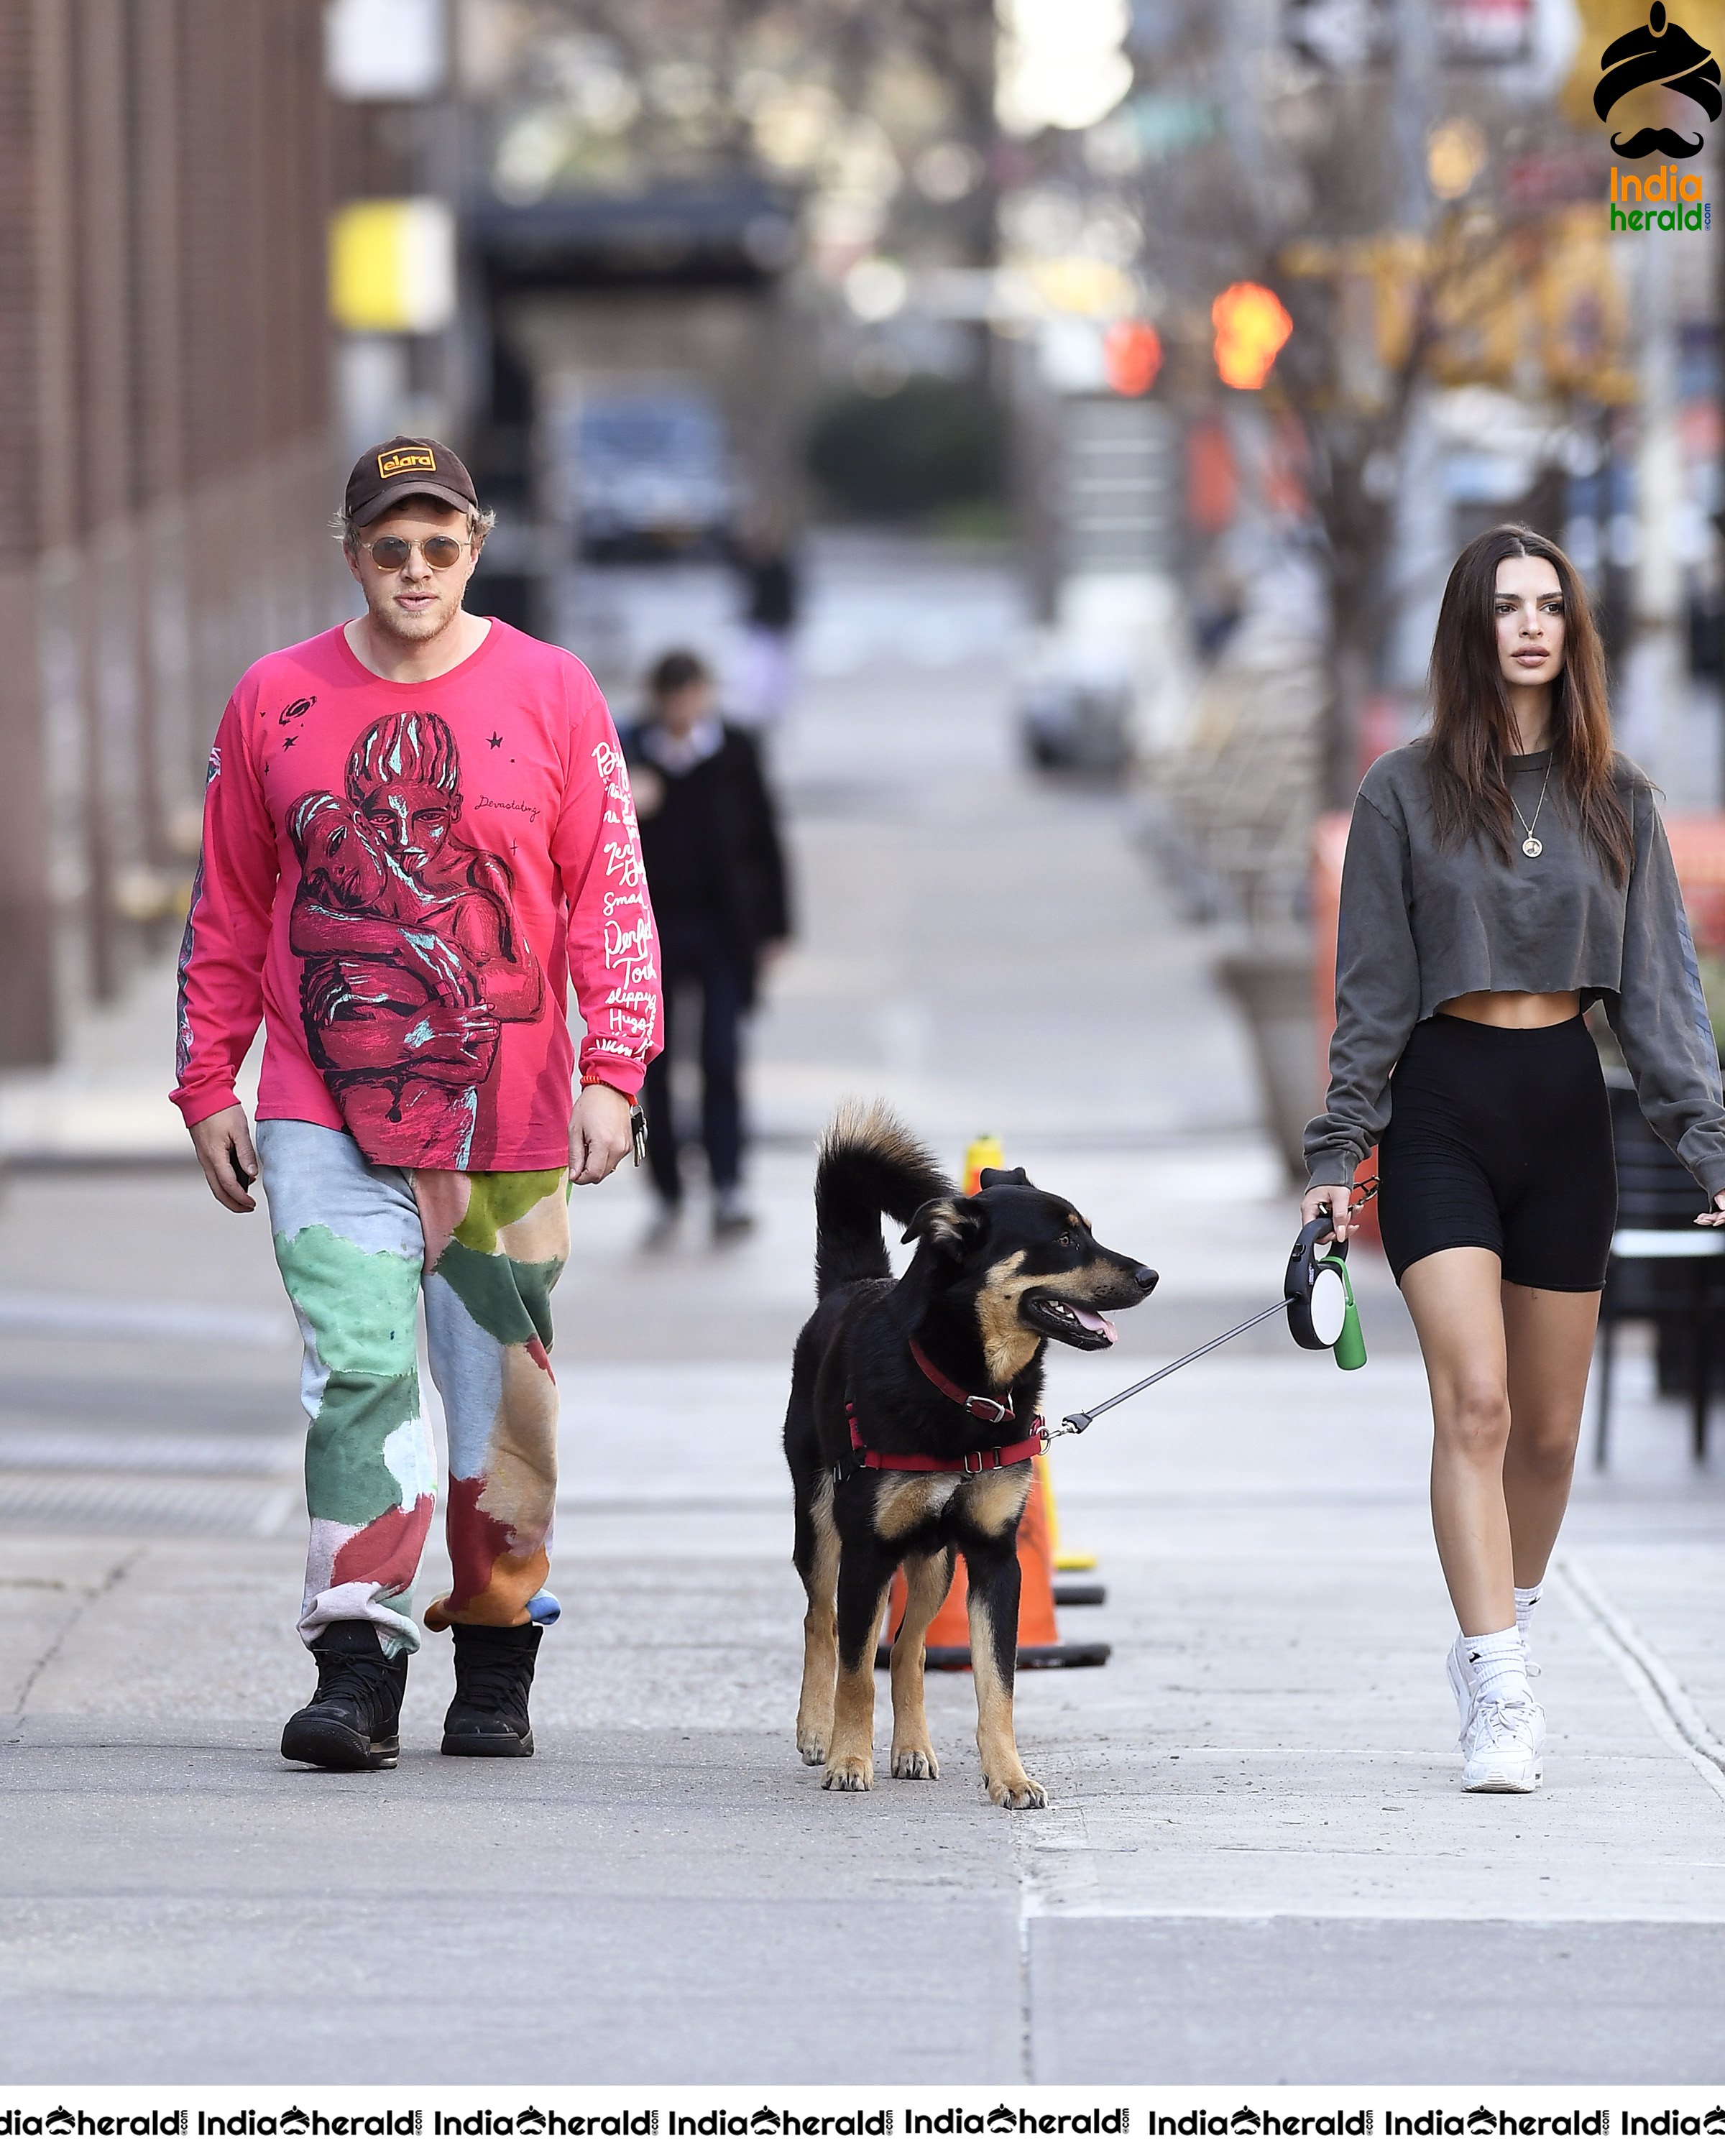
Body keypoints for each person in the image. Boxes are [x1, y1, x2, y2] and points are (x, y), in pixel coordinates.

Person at [172, 436, 661, 1771]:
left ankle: (496, 1659)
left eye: (439, 546)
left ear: (476, 547)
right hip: (323, 1113)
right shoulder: (272, 698)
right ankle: (357, 1661)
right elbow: (227, 907)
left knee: (506, 1394)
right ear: (353, 556)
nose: (415, 570)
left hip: (507, 1124)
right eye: (390, 547)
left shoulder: (554, 693)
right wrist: (208, 1079)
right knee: (363, 1372)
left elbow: (609, 895)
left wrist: (616, 1068)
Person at [1304, 525, 1725, 1795]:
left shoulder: (1622, 799)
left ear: (1573, 630)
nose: (1532, 625)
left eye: (1551, 606)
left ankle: (1507, 1631)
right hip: (1442, 1106)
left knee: (1546, 1432)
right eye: (1506, 607)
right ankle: (1498, 1684)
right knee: (1474, 1403)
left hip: (1563, 1109)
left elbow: (1660, 999)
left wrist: (1707, 1140)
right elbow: (1370, 992)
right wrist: (1340, 1150)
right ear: (1470, 630)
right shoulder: (1403, 791)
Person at [621, 649, 790, 1243]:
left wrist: (776, 927)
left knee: (721, 1056)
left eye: (691, 698)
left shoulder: (735, 749)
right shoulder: (629, 749)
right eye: (672, 701)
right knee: (655, 1065)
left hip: (722, 930)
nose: (682, 712)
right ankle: (666, 1191)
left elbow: (766, 837)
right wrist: (628, 798)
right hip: (652, 930)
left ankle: (728, 1184)